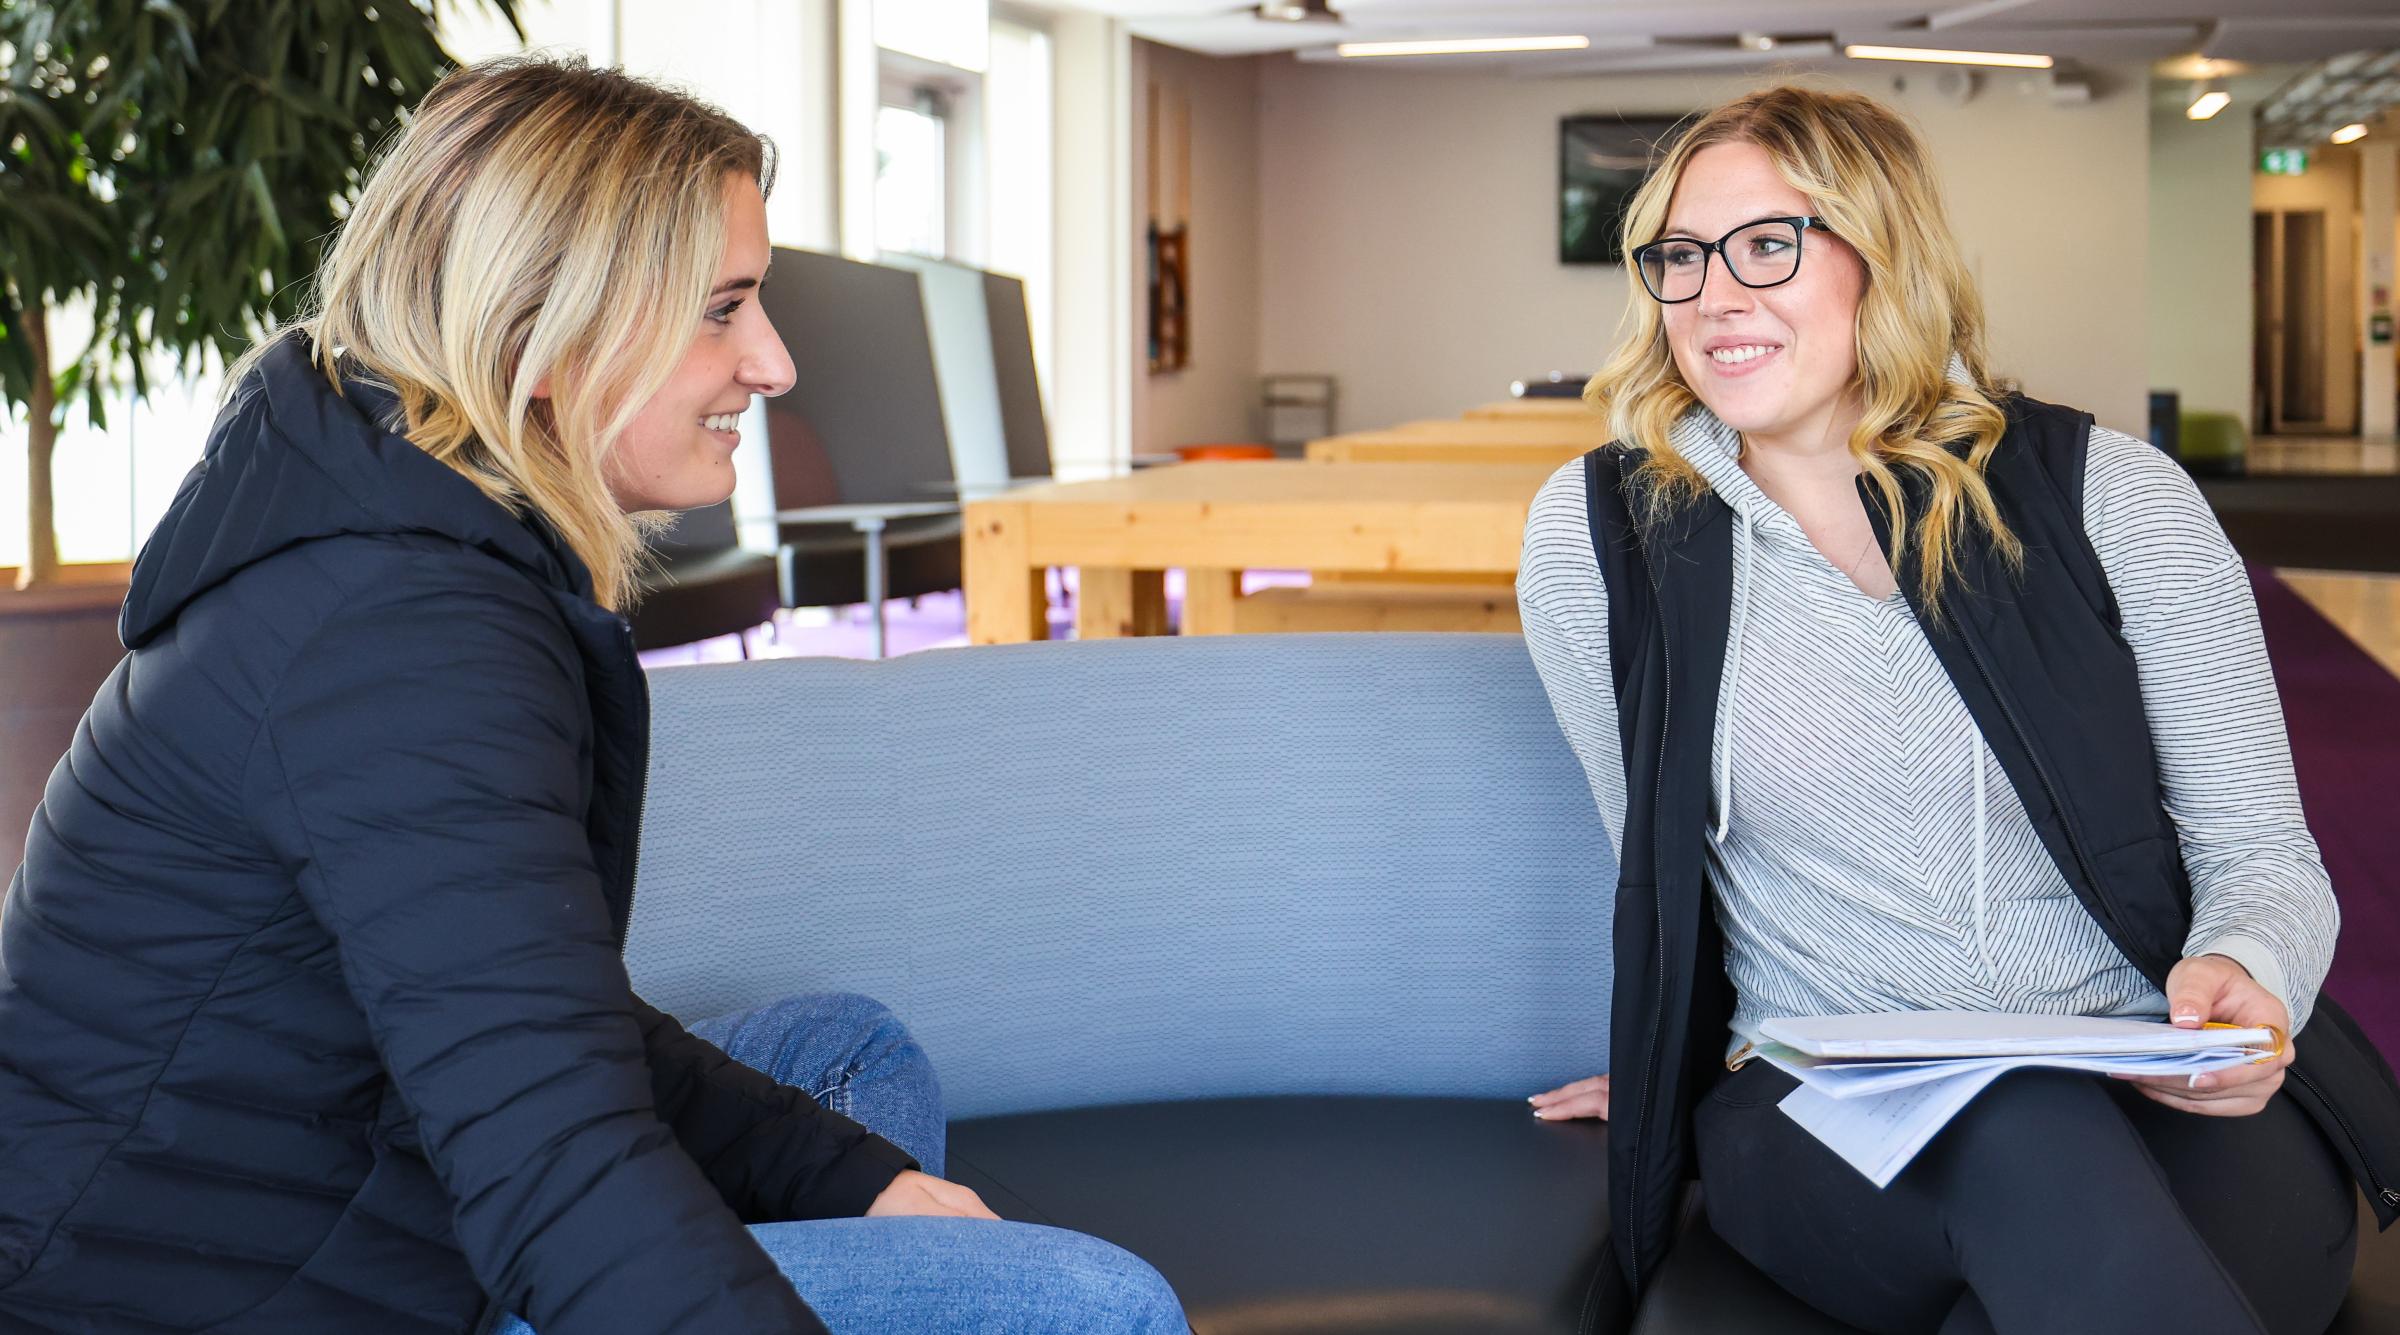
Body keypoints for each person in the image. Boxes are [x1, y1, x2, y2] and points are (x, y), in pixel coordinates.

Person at [0, 56, 1185, 1335]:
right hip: (229, 1293)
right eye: (723, 308)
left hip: (361, 1164)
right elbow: (553, 1163)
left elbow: (528, 1010)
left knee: (853, 1061)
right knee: (1088, 1307)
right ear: (542, 334)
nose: (775, 363)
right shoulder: (403, 638)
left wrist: (861, 1184)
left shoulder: (413, 544)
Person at [1515, 85, 2399, 1335]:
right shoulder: (1602, 539)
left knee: (2045, 1257)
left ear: (1887, 255)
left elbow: (2261, 852)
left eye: (1770, 244)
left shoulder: (2110, 499)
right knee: (2026, 1143)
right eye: (1679, 256)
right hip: (1831, 1098)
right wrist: (1666, 1066)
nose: (1714, 295)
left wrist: (2246, 970)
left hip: (2143, 1071)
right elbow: (1653, 863)